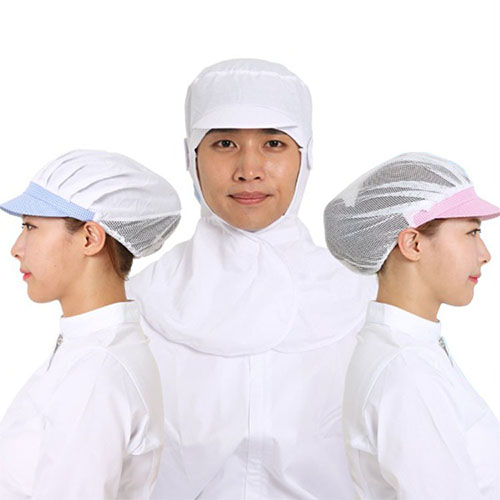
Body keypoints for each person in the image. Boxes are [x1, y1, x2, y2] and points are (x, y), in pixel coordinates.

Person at [127, 58, 377, 499]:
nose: (249, 169)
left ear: (305, 155)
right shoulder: (140, 304)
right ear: (191, 156)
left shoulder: (362, 302)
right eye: (224, 143)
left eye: (274, 143)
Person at [0, 150, 181, 499]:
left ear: (90, 238)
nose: (16, 248)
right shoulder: (90, 350)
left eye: (30, 227)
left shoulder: (97, 370)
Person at [324, 152, 500, 499]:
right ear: (412, 243)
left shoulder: (409, 349)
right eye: (472, 232)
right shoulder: (406, 370)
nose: (485, 254)